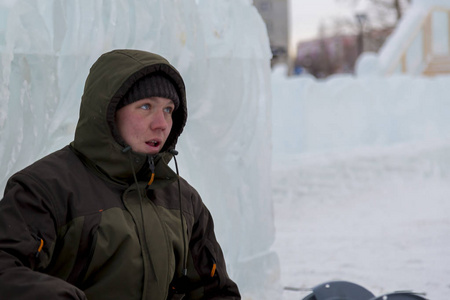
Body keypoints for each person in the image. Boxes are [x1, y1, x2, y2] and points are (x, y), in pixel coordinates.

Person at [0, 49, 241, 300]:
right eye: (146, 106)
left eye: (168, 109)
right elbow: (6, 270)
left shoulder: (183, 200)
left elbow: (214, 292)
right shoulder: (45, 189)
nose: (161, 123)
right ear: (109, 112)